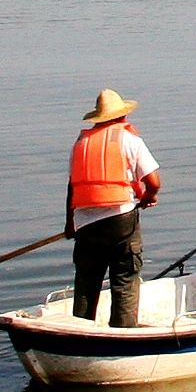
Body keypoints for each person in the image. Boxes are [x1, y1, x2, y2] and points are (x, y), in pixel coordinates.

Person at [65, 89, 161, 327]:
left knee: (87, 281)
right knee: (125, 279)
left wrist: (70, 223)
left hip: (85, 222)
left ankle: (80, 331)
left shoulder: (81, 143)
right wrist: (148, 197)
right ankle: (124, 331)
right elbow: (154, 182)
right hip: (121, 219)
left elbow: (72, 187)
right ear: (121, 116)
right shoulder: (130, 141)